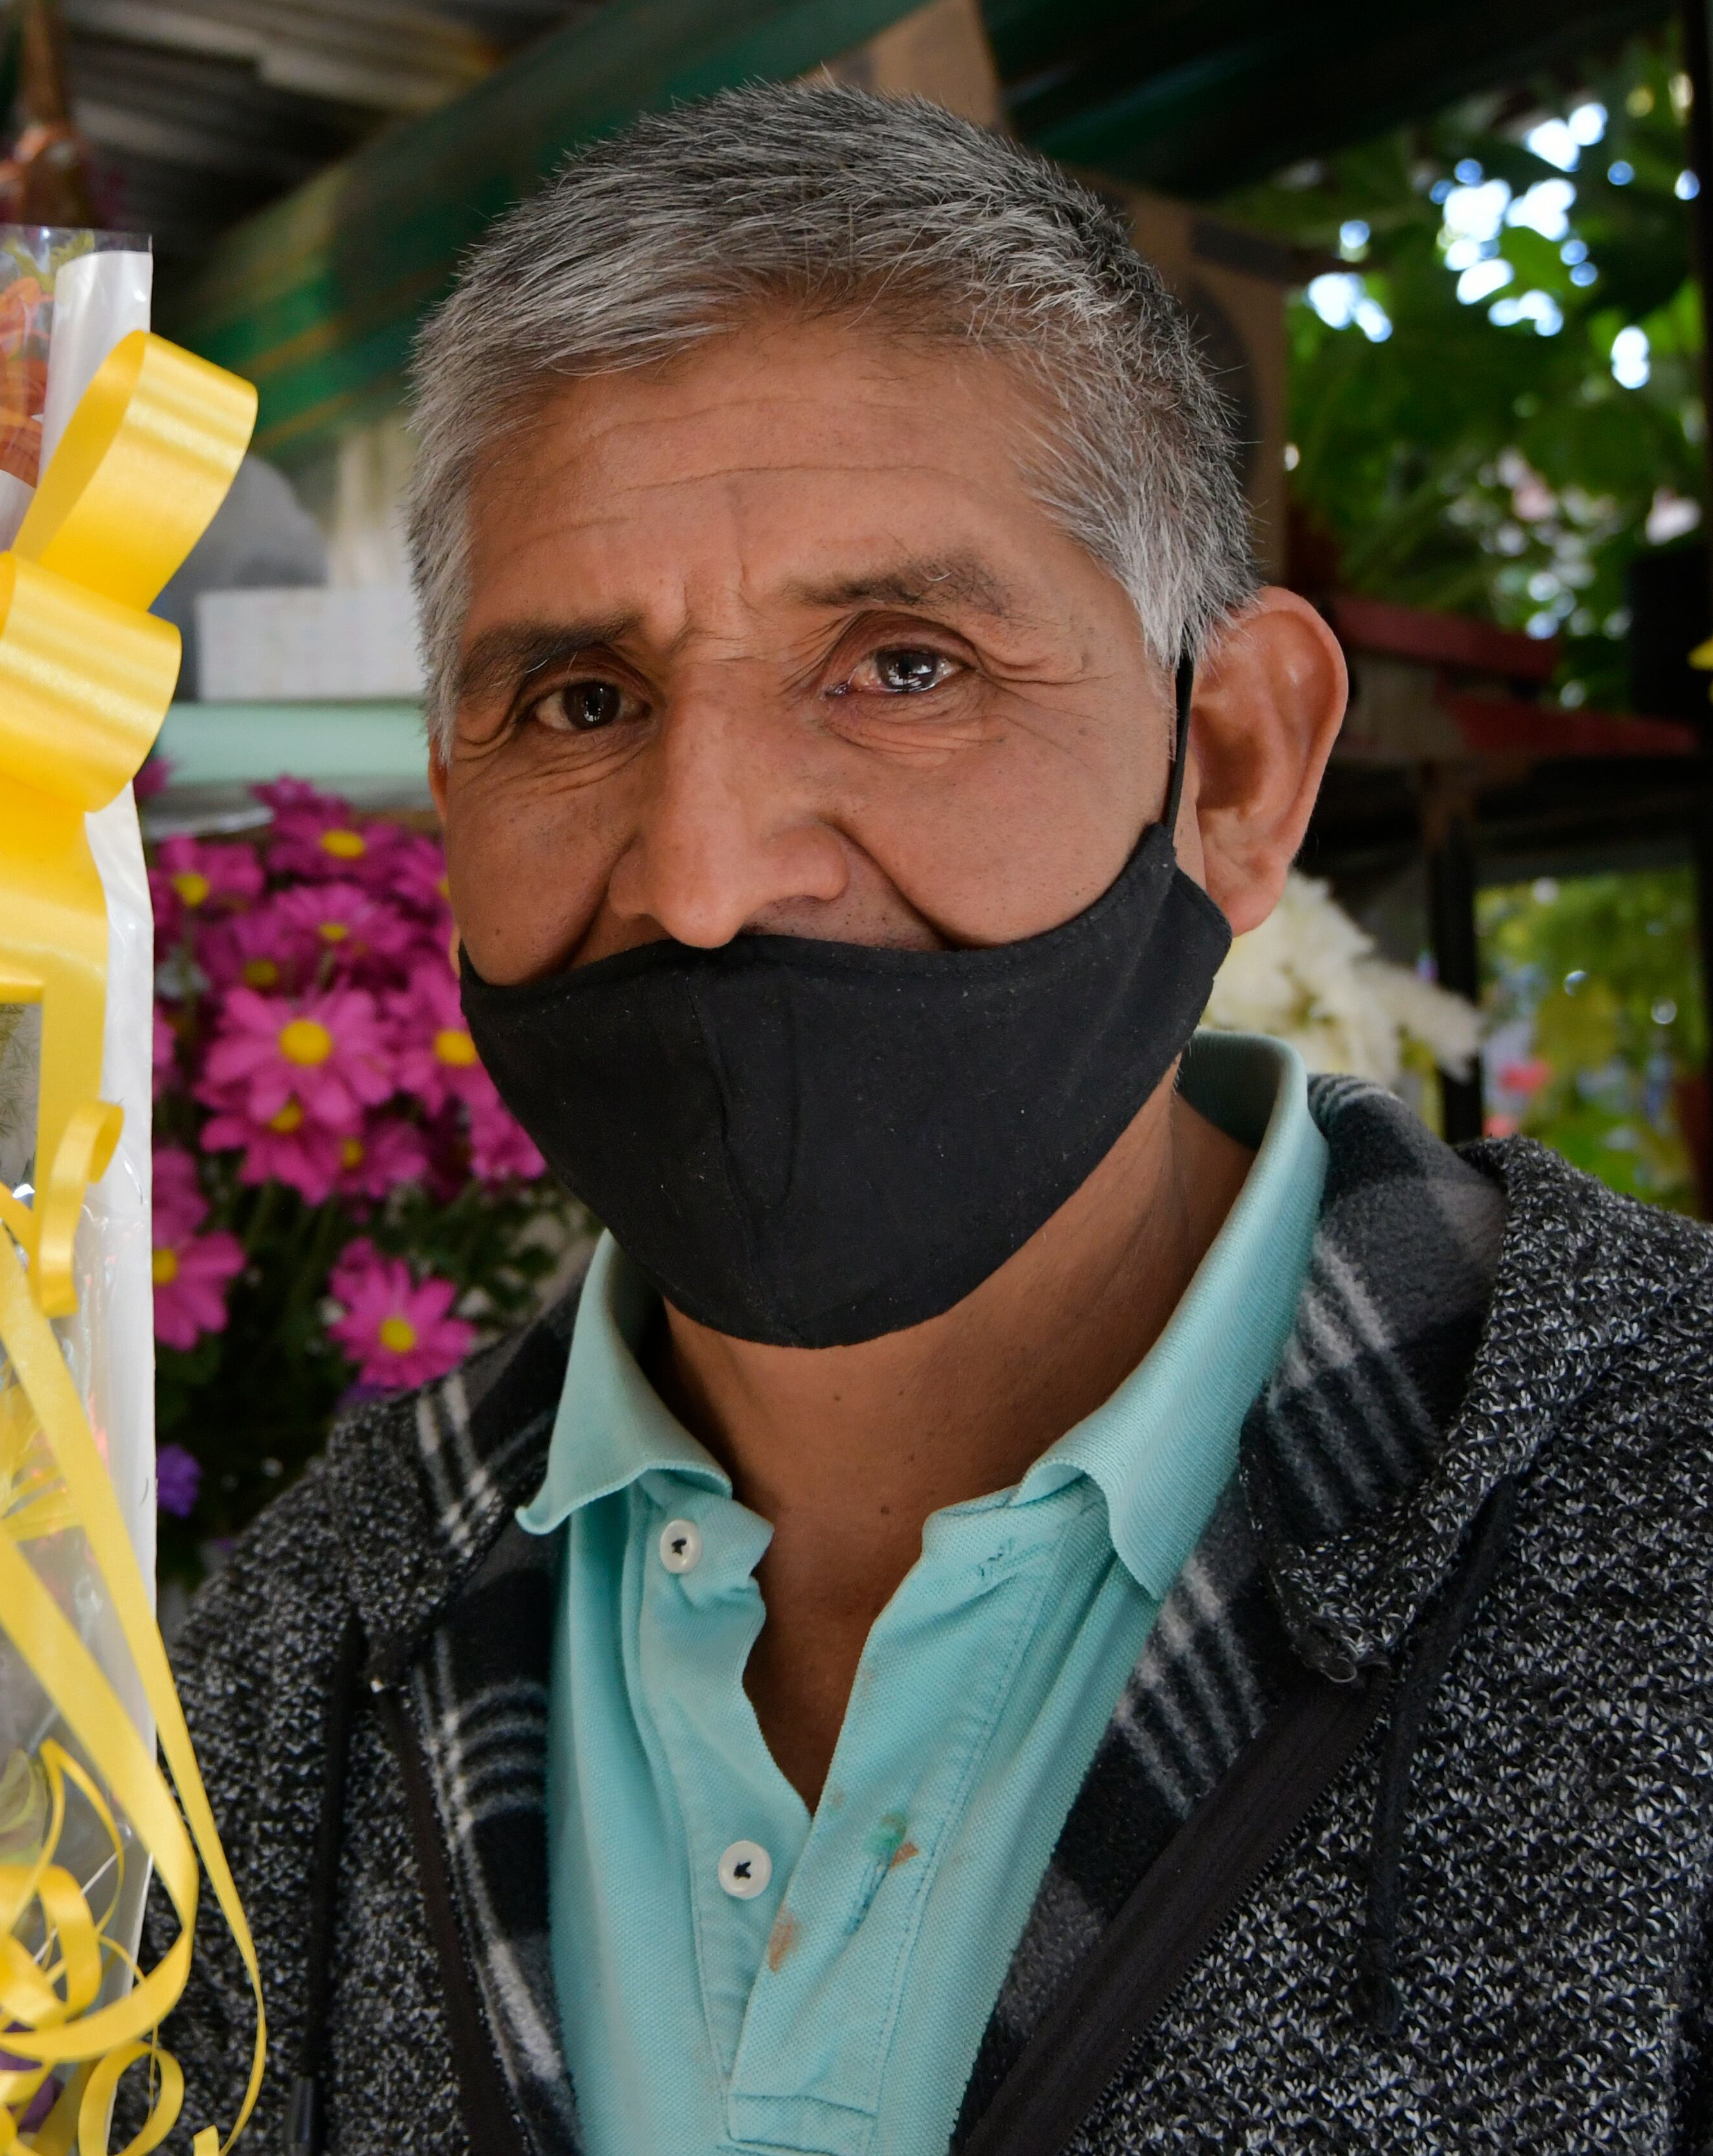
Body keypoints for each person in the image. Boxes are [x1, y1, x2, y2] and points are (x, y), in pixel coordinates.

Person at [142, 81, 1713, 2156]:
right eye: (581, 703)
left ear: (1233, 765)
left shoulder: (1656, 1521)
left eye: (903, 665)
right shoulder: (268, 1680)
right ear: (452, 791)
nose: (704, 877)